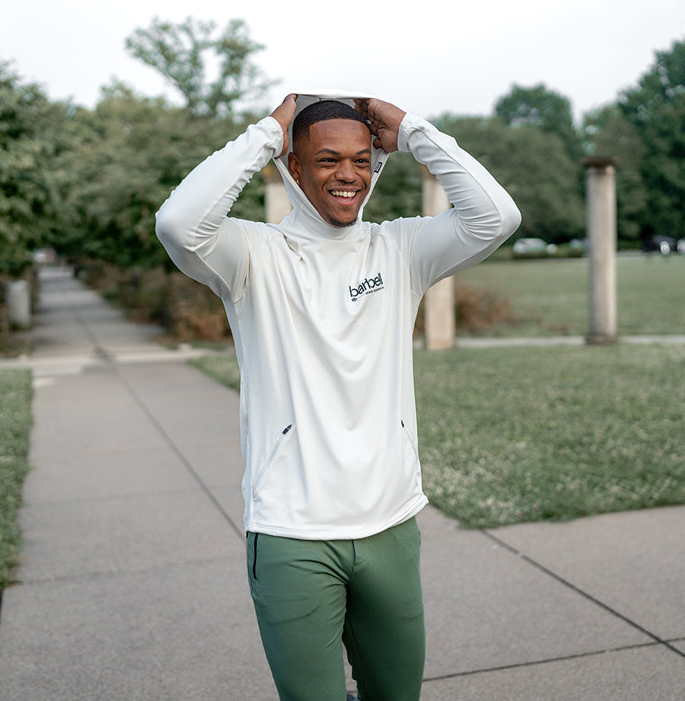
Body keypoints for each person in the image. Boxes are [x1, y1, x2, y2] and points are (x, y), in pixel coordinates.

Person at [155, 91, 520, 700]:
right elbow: (177, 223)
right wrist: (266, 135)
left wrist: (413, 132)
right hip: (292, 534)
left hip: (391, 523)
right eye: (326, 160)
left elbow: (496, 217)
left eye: (361, 160)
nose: (348, 174)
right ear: (293, 168)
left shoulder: (400, 249)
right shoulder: (251, 256)